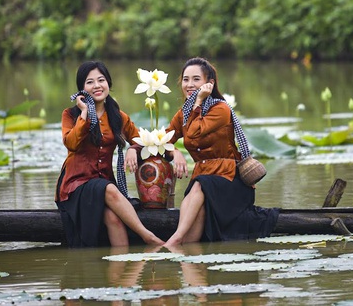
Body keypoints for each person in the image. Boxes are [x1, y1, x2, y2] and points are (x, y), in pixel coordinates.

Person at [163, 57, 279, 247]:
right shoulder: (183, 113)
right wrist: (175, 152)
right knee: (197, 192)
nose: (189, 84)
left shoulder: (221, 109)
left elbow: (193, 131)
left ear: (210, 83)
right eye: (185, 79)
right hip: (203, 180)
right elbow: (164, 141)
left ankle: (175, 239)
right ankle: (189, 260)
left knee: (198, 185)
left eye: (196, 79)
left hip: (230, 180)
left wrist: (198, 100)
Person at [55, 61, 164, 248]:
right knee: (109, 189)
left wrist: (132, 149)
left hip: (104, 186)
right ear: (82, 88)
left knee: (114, 219)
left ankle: (123, 273)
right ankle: (148, 237)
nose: (96, 86)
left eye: (101, 80)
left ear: (109, 84)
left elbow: (140, 140)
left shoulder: (117, 116)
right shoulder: (70, 114)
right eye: (90, 82)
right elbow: (71, 144)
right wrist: (84, 114)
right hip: (75, 186)